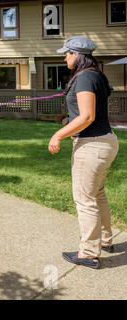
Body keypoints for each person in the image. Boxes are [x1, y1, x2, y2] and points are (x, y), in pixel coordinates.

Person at [49, 36, 119, 269]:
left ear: (77, 55)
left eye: (67, 53)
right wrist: (71, 121)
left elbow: (87, 116)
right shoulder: (96, 74)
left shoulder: (86, 76)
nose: (64, 57)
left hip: (91, 145)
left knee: (85, 199)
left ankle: (88, 252)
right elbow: (91, 114)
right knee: (97, 194)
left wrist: (58, 134)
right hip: (104, 141)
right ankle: (106, 240)